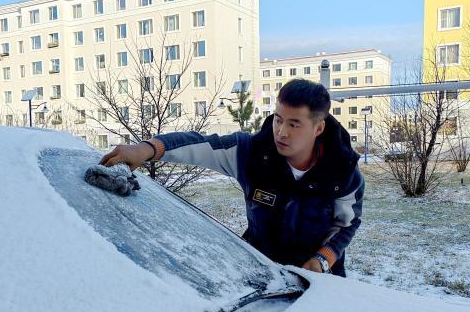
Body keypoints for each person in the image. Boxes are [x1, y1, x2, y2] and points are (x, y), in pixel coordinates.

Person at [100, 78, 364, 276]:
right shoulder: (252, 154)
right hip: (260, 275)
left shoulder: (343, 171)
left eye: (294, 124)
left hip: (318, 281)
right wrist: (146, 149)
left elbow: (346, 225)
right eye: (278, 119)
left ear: (318, 127)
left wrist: (323, 259)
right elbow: (200, 144)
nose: (281, 132)